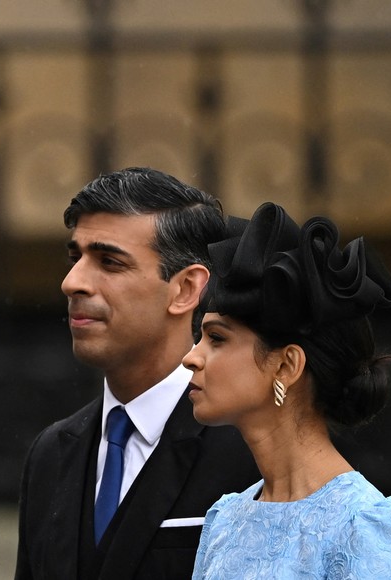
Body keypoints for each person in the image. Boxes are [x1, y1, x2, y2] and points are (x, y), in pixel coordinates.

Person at [15, 167, 261, 580]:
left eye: (109, 262)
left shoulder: (249, 447)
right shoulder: (51, 453)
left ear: (185, 289)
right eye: (75, 257)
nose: (72, 282)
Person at [182, 202, 391, 578]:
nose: (191, 358)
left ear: (287, 365)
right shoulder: (225, 520)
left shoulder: (368, 528)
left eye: (216, 338)